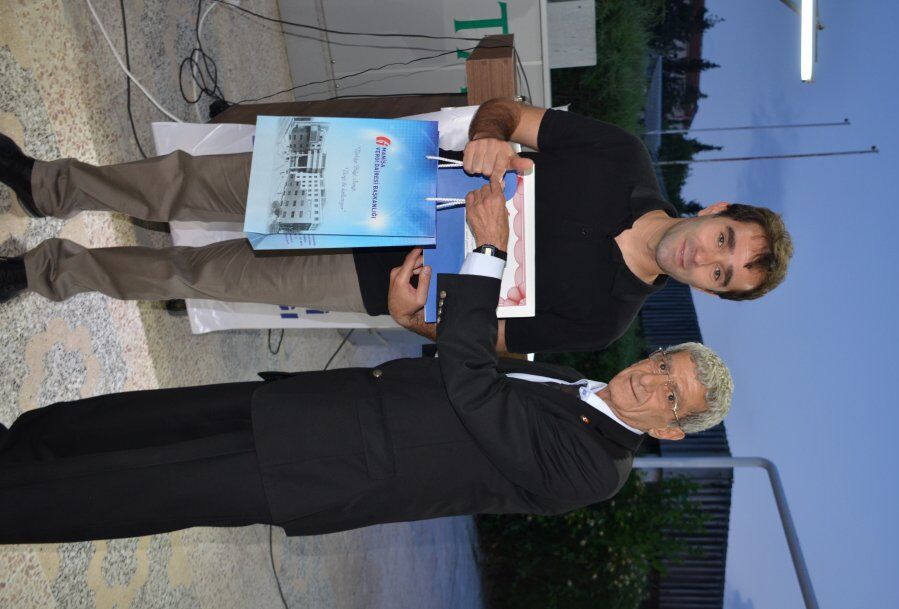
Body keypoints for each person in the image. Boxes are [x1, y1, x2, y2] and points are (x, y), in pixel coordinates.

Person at [0, 208, 734, 542]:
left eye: (671, 396)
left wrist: (487, 254)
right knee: (145, 422)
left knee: (139, 488)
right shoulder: (573, 381)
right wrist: (419, 325)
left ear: (671, 429)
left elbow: (476, 394)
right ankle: (24, 444)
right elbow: (468, 373)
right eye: (663, 364)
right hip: (318, 407)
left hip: (324, 468)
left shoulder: (597, 471)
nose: (651, 381)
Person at [0, 98, 793, 353]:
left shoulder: (605, 318)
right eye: (724, 240)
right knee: (193, 184)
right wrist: (491, 136)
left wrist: (419, 320)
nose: (706, 256)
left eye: (720, 274)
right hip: (378, 183)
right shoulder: (621, 155)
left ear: (709, 292)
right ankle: (44, 184)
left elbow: (487, 341)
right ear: (716, 210)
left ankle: (45, 273)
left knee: (200, 274)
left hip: (380, 277)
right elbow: (508, 113)